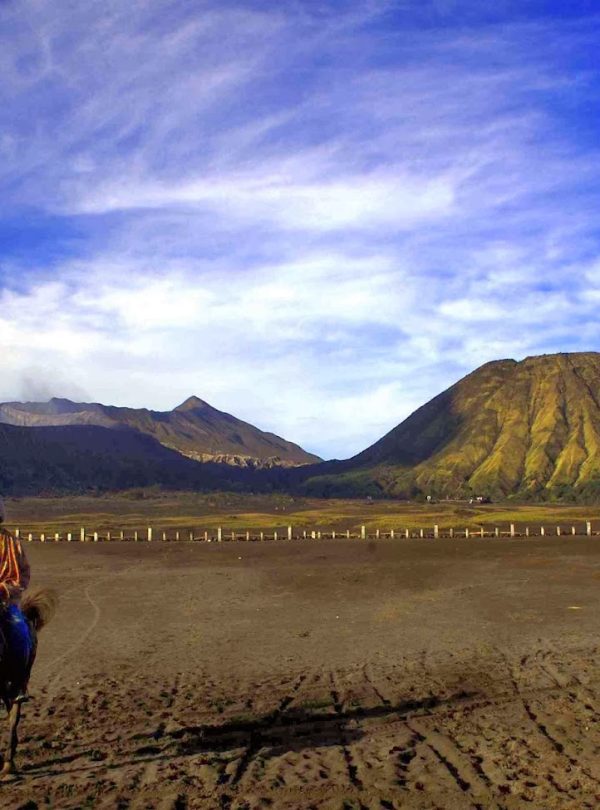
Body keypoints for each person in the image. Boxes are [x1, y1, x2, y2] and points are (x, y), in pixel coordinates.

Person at [0, 497, 32, 702]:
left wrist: (8, 589)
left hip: (5, 601)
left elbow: (24, 573)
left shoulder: (12, 543)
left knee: (20, 631)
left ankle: (18, 683)